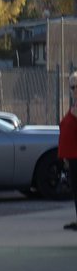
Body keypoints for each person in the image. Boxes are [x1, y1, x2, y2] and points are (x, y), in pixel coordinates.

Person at [61, 72, 77, 231]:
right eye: (71, 87)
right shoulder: (74, 106)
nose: (72, 90)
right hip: (72, 156)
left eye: (75, 86)